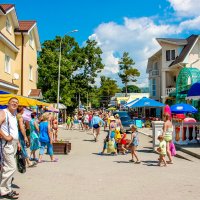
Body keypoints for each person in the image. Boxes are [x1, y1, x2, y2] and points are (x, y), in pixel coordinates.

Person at [0, 97, 20, 199]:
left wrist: (19, 142)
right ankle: (4, 191)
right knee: (11, 167)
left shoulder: (14, 115)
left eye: (16, 103)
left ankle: (7, 189)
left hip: (14, 143)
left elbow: (14, 130)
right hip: (7, 144)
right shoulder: (3, 112)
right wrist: (5, 137)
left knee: (8, 168)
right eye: (12, 102)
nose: (14, 104)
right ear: (8, 103)